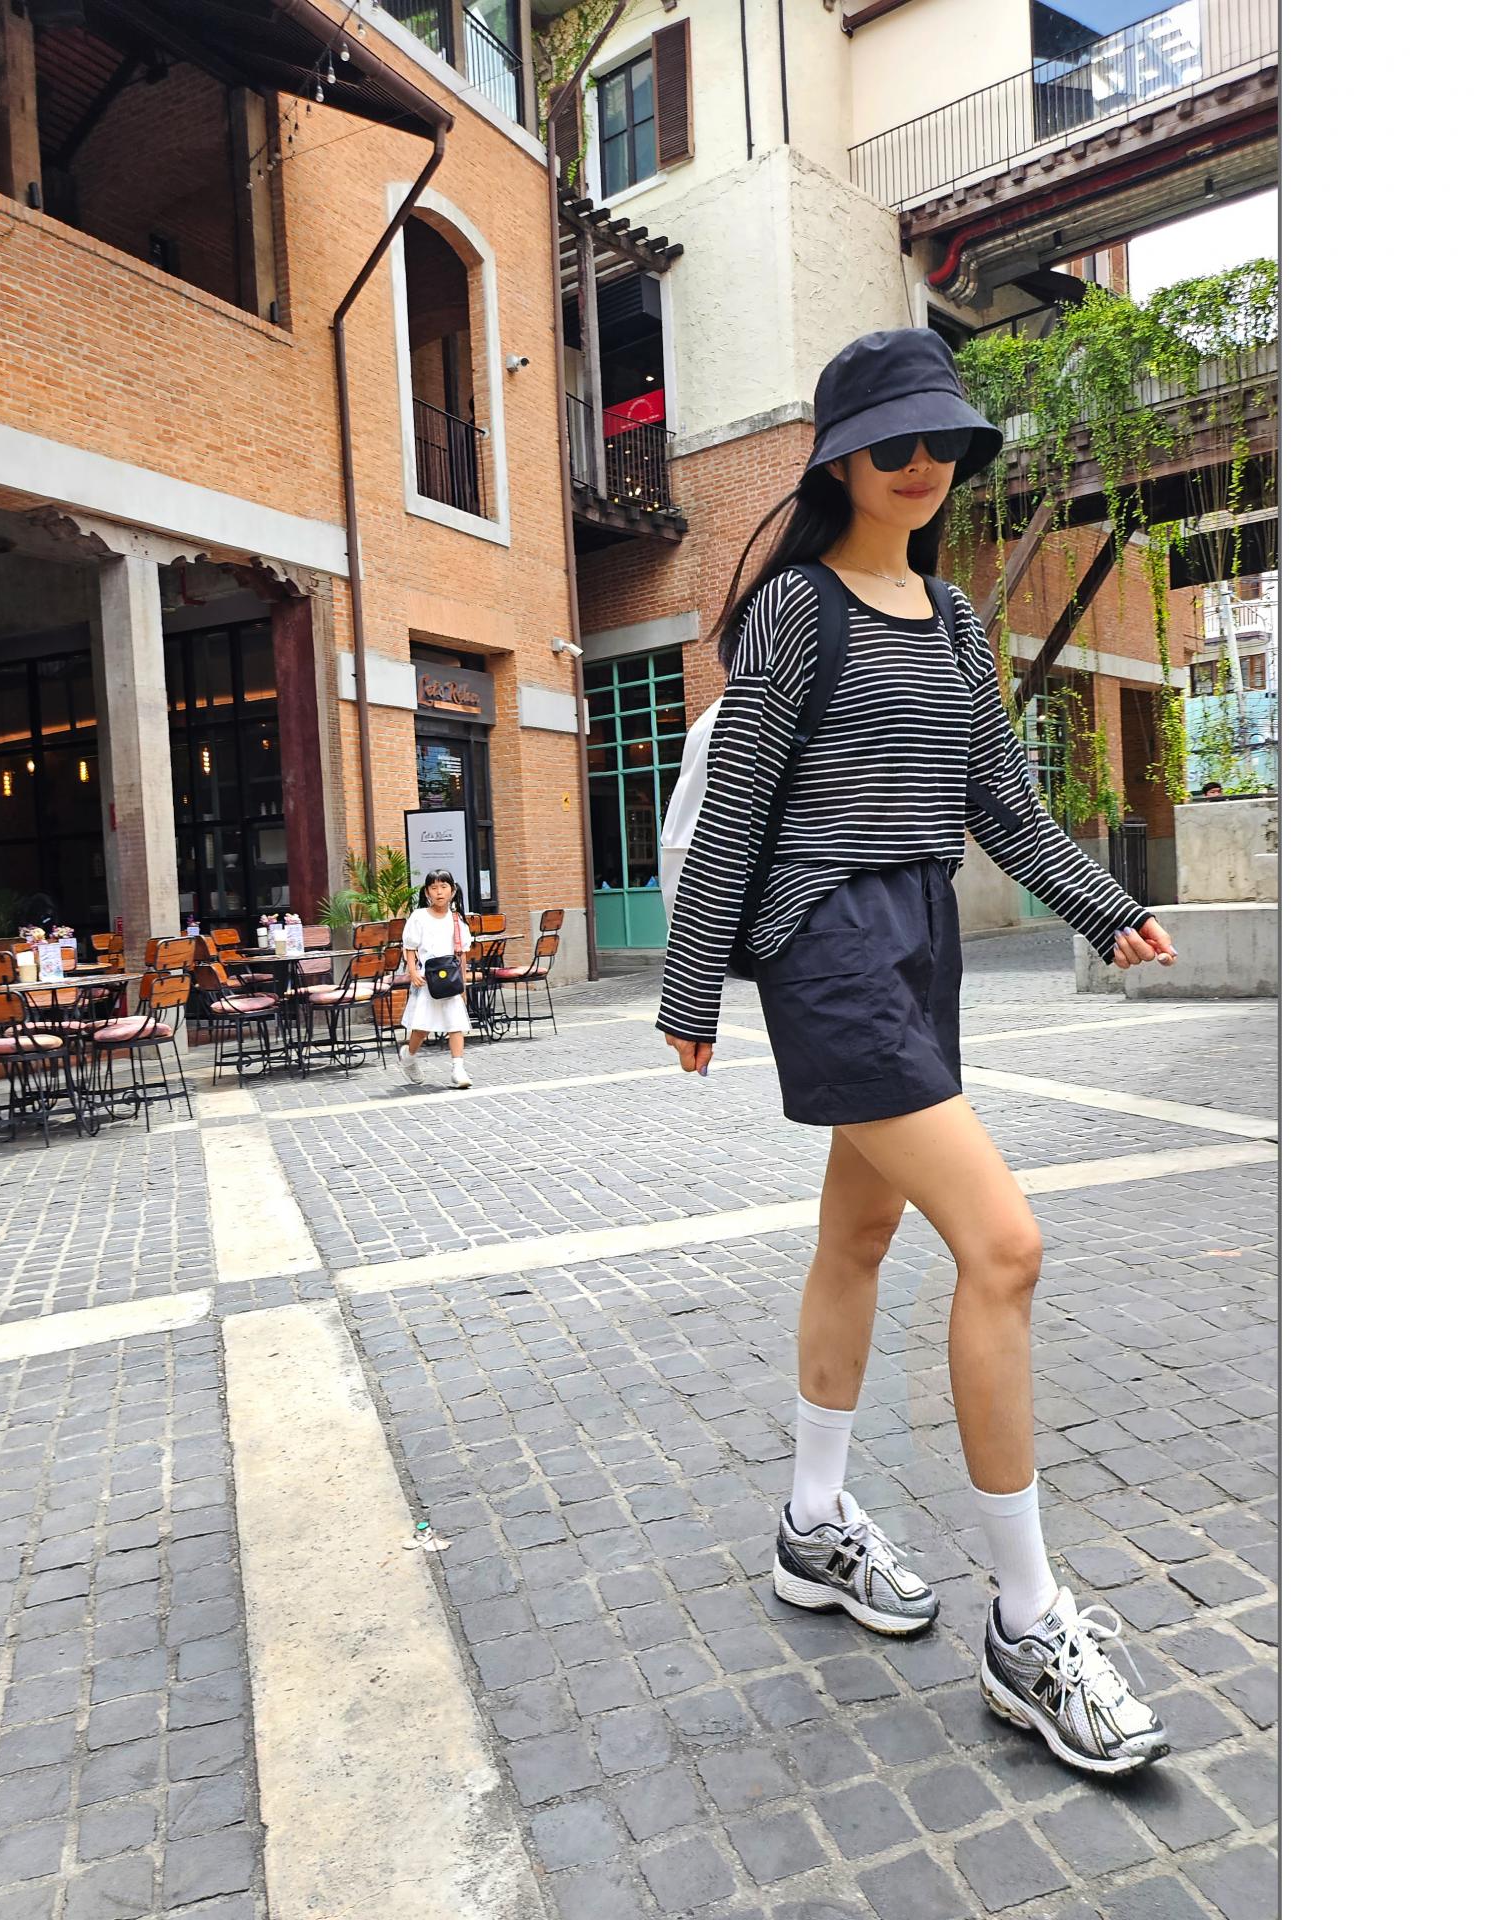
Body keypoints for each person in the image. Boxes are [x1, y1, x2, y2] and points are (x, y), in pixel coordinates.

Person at [658, 328, 1180, 1778]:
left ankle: (812, 1524)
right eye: (895, 444)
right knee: (1003, 1247)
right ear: (838, 462)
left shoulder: (950, 617)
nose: (924, 464)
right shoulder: (792, 612)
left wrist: (1106, 907)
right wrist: (692, 988)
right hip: (826, 947)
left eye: (944, 441)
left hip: (920, 942)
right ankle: (1027, 1624)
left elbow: (1000, 806)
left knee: (860, 1235)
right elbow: (741, 810)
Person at [396, 869, 474, 1090]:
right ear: (427, 892)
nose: (439, 892)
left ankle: (458, 1069)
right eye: (434, 887)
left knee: (455, 1024)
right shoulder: (419, 917)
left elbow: (461, 953)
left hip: (450, 980)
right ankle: (409, 1056)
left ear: (452, 891)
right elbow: (410, 947)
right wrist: (412, 972)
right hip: (427, 979)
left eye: (444, 887)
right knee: (422, 1028)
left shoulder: (457, 920)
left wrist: (462, 983)